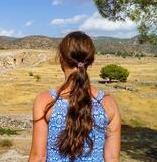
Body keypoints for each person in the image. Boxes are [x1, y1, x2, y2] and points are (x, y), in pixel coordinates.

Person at [29, 31, 121, 162]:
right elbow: (112, 158)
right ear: (90, 61)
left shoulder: (46, 101)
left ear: (61, 58)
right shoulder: (108, 103)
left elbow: (38, 157)